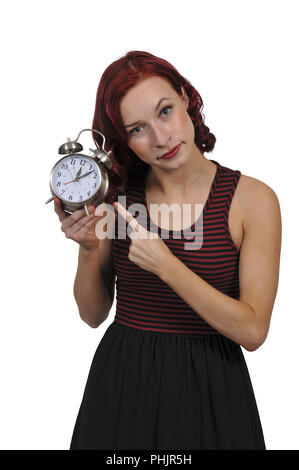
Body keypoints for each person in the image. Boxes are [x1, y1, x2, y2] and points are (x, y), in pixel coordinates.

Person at [54, 50, 281, 450]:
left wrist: (167, 265)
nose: (162, 138)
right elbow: (92, 315)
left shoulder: (252, 200)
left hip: (213, 387)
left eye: (165, 111)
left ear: (186, 99)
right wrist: (90, 250)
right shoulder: (118, 196)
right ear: (123, 141)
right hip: (122, 383)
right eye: (138, 129)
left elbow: (253, 330)